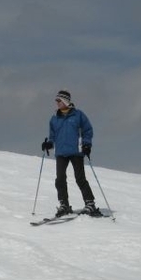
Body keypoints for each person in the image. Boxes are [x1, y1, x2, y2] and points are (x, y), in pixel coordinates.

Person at [41, 89, 100, 217]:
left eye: (59, 100)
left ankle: (90, 203)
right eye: (56, 101)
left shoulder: (78, 115)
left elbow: (88, 130)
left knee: (80, 178)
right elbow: (52, 136)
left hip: (76, 151)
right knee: (60, 179)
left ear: (66, 101)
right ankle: (64, 205)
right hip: (61, 152)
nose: (57, 103)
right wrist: (49, 144)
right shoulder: (54, 118)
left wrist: (86, 144)